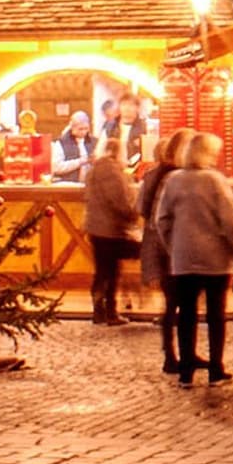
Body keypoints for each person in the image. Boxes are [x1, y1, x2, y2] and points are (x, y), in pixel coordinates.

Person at [153, 131, 233, 385]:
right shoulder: (215, 181)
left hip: (183, 258)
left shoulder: (173, 180)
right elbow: (229, 221)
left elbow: (162, 219)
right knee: (216, 315)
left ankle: (186, 371)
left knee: (186, 314)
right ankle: (216, 369)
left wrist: (174, 245)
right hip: (215, 260)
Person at [81, 131, 144, 321]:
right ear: (119, 153)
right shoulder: (112, 172)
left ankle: (99, 310)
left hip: (95, 227)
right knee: (110, 271)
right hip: (109, 229)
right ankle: (110, 311)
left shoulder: (94, 170)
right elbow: (119, 202)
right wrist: (133, 217)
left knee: (103, 270)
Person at [136, 127, 184, 369]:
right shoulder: (172, 178)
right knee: (179, 303)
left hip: (159, 246)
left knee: (172, 303)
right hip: (171, 248)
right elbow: (159, 217)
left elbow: (142, 209)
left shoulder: (151, 176)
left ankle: (171, 354)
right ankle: (175, 357)